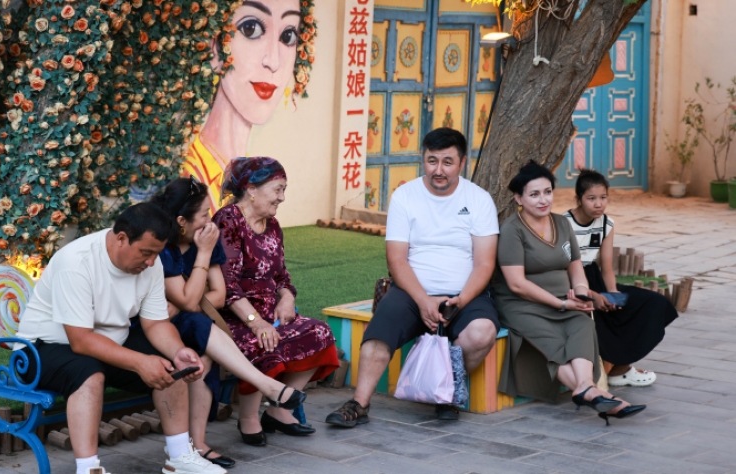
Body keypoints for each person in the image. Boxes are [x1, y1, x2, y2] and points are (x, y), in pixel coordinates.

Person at [14, 203, 226, 474]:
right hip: (41, 348)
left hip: (106, 342)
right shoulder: (76, 262)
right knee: (88, 372)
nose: (151, 262)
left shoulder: (151, 264)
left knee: (170, 365)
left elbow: (156, 323)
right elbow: (80, 340)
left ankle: (180, 458)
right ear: (122, 239)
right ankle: (88, 469)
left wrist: (177, 351)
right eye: (146, 253)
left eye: (156, 254)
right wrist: (140, 362)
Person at [325, 127, 502, 426]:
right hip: (411, 292)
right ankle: (359, 403)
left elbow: (485, 263)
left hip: (465, 294)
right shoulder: (405, 196)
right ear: (423, 159)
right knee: (378, 335)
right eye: (432, 161)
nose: (439, 170)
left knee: (482, 332)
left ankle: (445, 393)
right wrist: (423, 301)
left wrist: (461, 300)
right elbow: (396, 259)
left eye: (447, 162)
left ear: (462, 163)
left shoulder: (479, 199)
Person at [150, 177, 308, 467]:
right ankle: (267, 386)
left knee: (203, 358)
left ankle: (198, 445)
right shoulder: (164, 248)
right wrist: (202, 261)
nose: (209, 221)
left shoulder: (207, 239)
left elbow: (219, 296)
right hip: (156, 326)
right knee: (195, 322)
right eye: (203, 215)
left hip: (188, 321)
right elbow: (189, 302)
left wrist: (187, 297)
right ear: (182, 221)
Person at [494, 162, 646, 425]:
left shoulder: (561, 223)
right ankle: (596, 394)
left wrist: (581, 294)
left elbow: (576, 269)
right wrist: (560, 304)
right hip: (522, 304)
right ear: (519, 198)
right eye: (534, 194)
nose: (543, 200)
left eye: (547, 192)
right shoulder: (512, 230)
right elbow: (516, 284)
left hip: (563, 299)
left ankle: (586, 387)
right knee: (554, 339)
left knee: (582, 324)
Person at [212, 157, 339, 446]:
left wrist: (287, 297)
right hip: (233, 316)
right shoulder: (228, 220)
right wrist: (257, 323)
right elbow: (227, 286)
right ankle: (248, 417)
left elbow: (282, 276)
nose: (282, 197)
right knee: (264, 342)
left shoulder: (272, 225)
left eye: (284, 190)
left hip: (270, 313)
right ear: (252, 189)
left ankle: (279, 410)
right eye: (278, 189)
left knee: (319, 332)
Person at [182, 0, 316, 213]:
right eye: (251, 29)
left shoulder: (244, 174)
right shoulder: (190, 176)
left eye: (288, 36)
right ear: (215, 47)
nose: (273, 62)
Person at [564, 169, 678, 387]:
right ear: (578, 199)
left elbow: (606, 267)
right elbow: (564, 268)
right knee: (596, 316)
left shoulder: (606, 223)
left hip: (597, 280)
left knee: (652, 303)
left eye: (603, 197)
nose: (599, 204)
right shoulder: (563, 223)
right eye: (591, 198)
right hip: (573, 283)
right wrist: (593, 296)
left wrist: (613, 294)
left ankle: (621, 368)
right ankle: (615, 369)